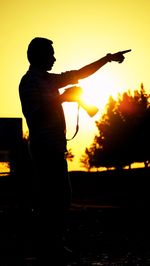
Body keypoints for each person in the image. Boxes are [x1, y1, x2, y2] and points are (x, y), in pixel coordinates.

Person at [19, 37, 128, 265]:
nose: (54, 58)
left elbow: (80, 72)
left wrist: (107, 59)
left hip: (55, 148)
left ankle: (52, 246)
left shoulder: (48, 80)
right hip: (45, 149)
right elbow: (35, 117)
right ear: (38, 56)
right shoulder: (29, 82)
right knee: (53, 200)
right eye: (50, 53)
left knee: (59, 198)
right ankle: (48, 248)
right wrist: (63, 98)